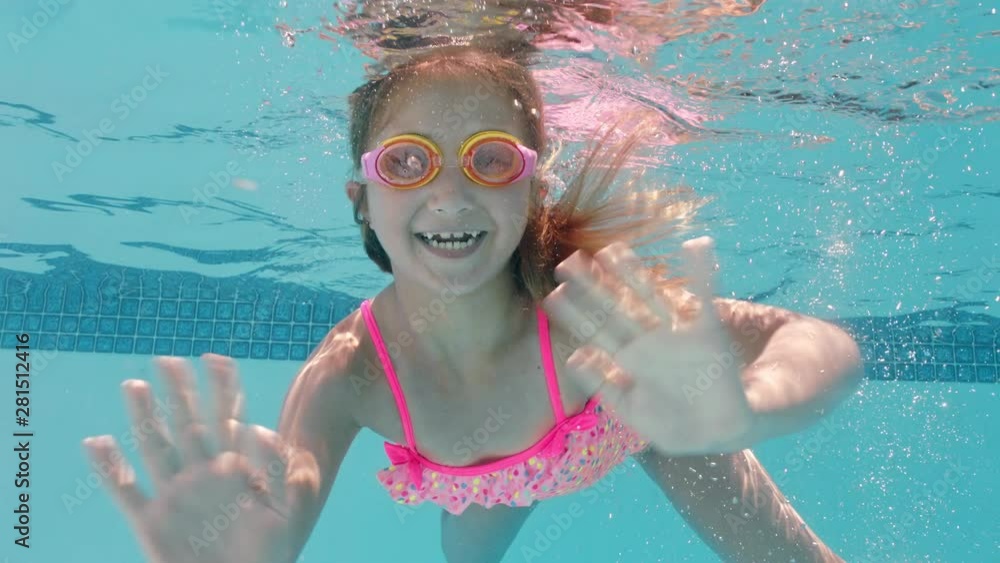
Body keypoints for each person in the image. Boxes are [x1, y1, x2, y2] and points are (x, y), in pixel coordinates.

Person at [82, 43, 863, 563]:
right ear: (362, 199)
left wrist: (748, 407)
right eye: (408, 161)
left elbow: (818, 341)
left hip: (637, 424)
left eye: (490, 160)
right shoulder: (354, 373)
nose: (449, 192)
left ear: (535, 187)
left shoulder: (587, 302)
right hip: (484, 480)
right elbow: (283, 504)